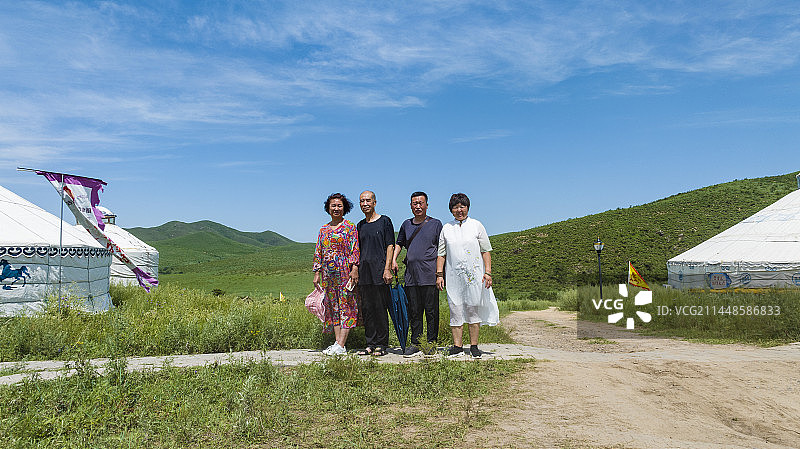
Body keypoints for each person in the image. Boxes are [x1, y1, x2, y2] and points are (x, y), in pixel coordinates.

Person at [436, 193, 499, 358]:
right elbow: (441, 254)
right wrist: (439, 274)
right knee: (455, 309)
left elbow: (486, 250)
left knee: (473, 309)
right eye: (455, 207)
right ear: (451, 210)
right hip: (453, 276)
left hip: (474, 276)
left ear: (467, 207)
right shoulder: (446, 228)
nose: (459, 210)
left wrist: (488, 272)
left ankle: (474, 346)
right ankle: (457, 346)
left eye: (462, 206)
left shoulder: (477, 225)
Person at [392, 191, 443, 356]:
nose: (418, 206)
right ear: (411, 206)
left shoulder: (436, 224)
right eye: (415, 203)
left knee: (431, 311)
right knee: (414, 311)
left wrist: (440, 273)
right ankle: (416, 342)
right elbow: (399, 243)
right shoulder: (406, 224)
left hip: (430, 275)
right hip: (411, 276)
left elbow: (442, 249)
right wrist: (393, 260)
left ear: (427, 205)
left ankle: (431, 343)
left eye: (421, 203)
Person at [313, 193, 360, 355]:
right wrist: (317, 272)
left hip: (345, 273)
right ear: (328, 208)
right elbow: (318, 251)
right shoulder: (323, 230)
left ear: (344, 208)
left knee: (346, 306)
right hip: (328, 275)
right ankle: (338, 344)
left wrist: (355, 268)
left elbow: (355, 249)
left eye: (339, 205)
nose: (336, 208)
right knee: (333, 308)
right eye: (333, 205)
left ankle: (340, 344)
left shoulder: (350, 227)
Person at [355, 190, 395, 356]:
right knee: (367, 308)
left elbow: (390, 246)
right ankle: (370, 343)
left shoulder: (385, 221)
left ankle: (382, 344)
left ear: (375, 202)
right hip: (364, 272)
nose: (365, 204)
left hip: (380, 270)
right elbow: (357, 249)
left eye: (368, 200)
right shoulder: (360, 225)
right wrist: (355, 269)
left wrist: (387, 268)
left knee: (380, 308)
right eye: (362, 201)